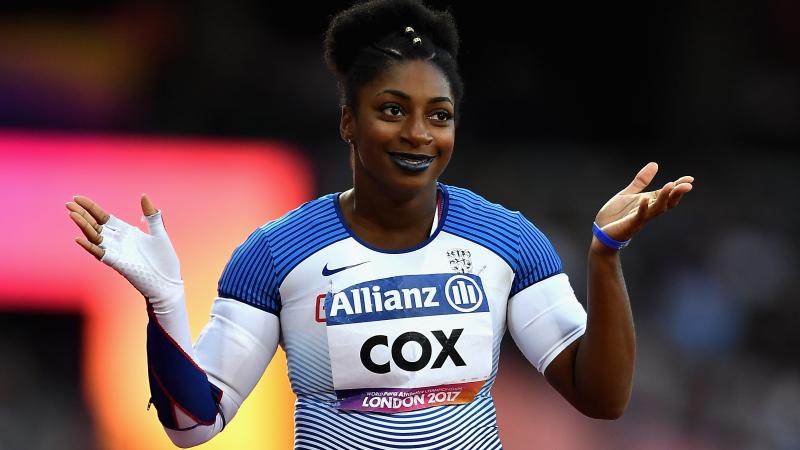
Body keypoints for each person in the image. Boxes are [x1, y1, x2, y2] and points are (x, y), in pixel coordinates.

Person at [66, 0, 694, 448]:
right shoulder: (275, 254)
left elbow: (603, 399)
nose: (418, 133)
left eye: (439, 115)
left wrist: (605, 255)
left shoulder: (506, 240)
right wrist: (165, 303)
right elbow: (194, 427)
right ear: (348, 123)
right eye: (392, 110)